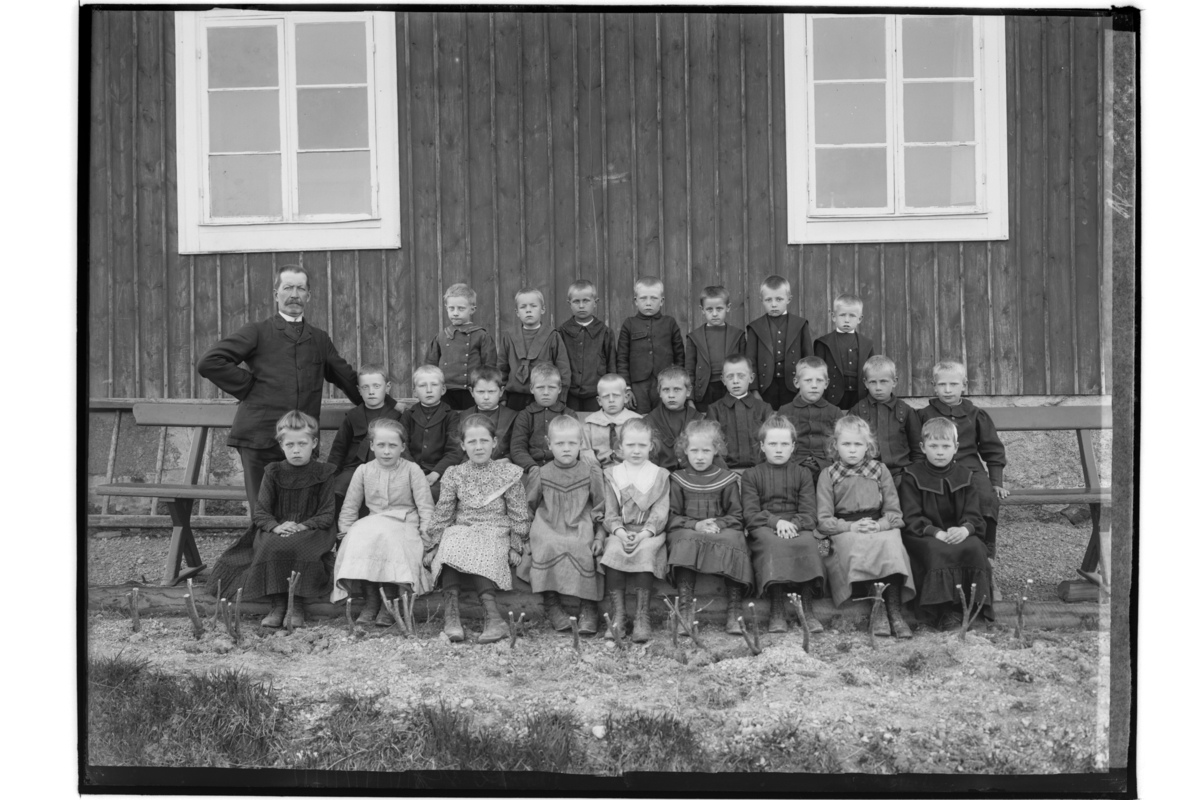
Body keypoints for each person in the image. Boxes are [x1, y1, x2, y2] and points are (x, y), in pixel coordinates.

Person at [197, 264, 362, 513]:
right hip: (258, 438)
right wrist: (250, 387)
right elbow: (209, 362)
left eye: (301, 288)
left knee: (300, 511)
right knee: (263, 513)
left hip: (301, 441)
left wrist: (382, 406)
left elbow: (346, 378)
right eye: (288, 288)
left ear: (309, 295)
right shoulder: (257, 331)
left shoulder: (319, 339)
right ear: (276, 294)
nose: (294, 294)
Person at [208, 411, 338, 629]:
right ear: (281, 445)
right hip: (277, 527)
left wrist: (302, 526)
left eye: (302, 444)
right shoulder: (273, 471)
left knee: (300, 547)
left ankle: (296, 604)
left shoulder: (324, 473)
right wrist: (276, 527)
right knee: (271, 545)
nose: (296, 450)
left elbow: (326, 514)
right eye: (290, 445)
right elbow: (261, 512)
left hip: (312, 529)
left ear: (314, 443)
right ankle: (277, 604)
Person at [423, 414, 532, 643]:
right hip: (463, 527)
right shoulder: (455, 473)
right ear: (463, 445)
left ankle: (494, 619)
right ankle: (452, 617)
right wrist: (433, 544)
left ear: (494, 442)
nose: (478, 446)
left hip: (495, 528)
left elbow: (518, 513)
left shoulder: (508, 473)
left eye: (484, 441)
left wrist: (516, 544)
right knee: (451, 540)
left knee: (481, 545)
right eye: (472, 442)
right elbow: (444, 511)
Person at [816, 415, 915, 639]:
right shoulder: (828, 475)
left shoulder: (880, 470)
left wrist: (880, 525)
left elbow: (895, 514)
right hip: (843, 529)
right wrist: (851, 527)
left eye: (858, 444)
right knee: (859, 544)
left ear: (868, 446)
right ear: (835, 445)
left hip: (877, 525)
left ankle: (894, 611)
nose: (852, 450)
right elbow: (823, 520)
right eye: (846, 444)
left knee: (891, 543)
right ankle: (877, 609)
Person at [331, 419, 435, 626]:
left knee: (389, 538)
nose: (386, 451)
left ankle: (390, 601)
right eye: (381, 445)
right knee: (360, 535)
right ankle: (372, 601)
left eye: (392, 445)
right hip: (373, 521)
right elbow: (350, 506)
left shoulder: (412, 470)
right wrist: (346, 534)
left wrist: (427, 538)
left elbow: (426, 506)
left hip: (405, 522)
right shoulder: (363, 471)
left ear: (402, 447)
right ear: (372, 446)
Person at [899, 418, 994, 630]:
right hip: (924, 535)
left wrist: (964, 530)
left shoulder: (965, 476)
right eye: (933, 446)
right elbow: (910, 517)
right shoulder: (911, 476)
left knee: (975, 547)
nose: (940, 452)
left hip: (957, 532)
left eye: (945, 446)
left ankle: (972, 611)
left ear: (956, 447)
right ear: (923, 447)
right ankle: (941, 613)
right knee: (937, 550)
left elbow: (974, 515)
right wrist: (936, 533)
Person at [516, 415, 607, 636]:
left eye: (572, 443)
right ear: (549, 444)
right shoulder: (541, 473)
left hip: (579, 522)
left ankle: (588, 606)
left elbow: (600, 508)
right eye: (560, 443)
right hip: (548, 523)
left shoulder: (590, 472)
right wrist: (525, 537)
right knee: (547, 544)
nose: (566, 448)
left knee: (582, 546)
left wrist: (600, 536)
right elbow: (529, 507)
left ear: (580, 444)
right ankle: (551, 603)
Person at [740, 414, 827, 634]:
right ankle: (776, 608)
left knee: (809, 543)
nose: (778, 450)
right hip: (764, 526)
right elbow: (750, 514)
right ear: (762, 446)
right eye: (772, 444)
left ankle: (807, 608)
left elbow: (810, 513)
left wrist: (793, 524)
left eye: (784, 444)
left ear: (793, 447)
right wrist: (775, 522)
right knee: (774, 544)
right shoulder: (751, 475)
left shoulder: (802, 473)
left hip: (798, 525)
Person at [666, 420, 753, 636]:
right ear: (685, 450)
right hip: (688, 529)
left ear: (716, 450)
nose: (700, 456)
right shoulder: (678, 479)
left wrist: (717, 524)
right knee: (684, 540)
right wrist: (695, 524)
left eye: (706, 450)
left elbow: (736, 515)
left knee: (735, 540)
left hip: (720, 530)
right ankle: (686, 610)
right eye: (694, 450)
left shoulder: (726, 479)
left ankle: (734, 610)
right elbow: (672, 517)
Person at [915, 360, 1008, 563]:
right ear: (934, 386)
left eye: (953, 384)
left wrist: (996, 482)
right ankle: (944, 552)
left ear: (964, 385)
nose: (948, 390)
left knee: (987, 497)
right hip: (935, 469)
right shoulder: (924, 415)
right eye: (942, 385)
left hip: (970, 469)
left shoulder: (976, 415)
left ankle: (986, 553)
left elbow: (992, 449)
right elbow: (917, 448)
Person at [600, 418, 672, 643]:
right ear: (620, 447)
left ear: (651, 446)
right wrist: (620, 533)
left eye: (642, 445)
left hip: (648, 532)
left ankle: (642, 616)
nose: (636, 450)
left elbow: (660, 512)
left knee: (645, 551)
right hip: (620, 530)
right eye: (630, 445)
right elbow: (610, 512)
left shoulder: (659, 475)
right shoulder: (612, 474)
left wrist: (643, 534)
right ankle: (619, 615)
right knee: (613, 550)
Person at [327, 365, 404, 518]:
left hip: (386, 468)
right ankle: (338, 528)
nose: (371, 391)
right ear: (359, 390)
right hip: (354, 468)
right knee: (336, 489)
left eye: (376, 386)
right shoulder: (353, 416)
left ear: (387, 387)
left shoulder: (396, 416)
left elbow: (404, 447)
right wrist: (330, 475)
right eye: (365, 387)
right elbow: (339, 449)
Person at [849, 355, 923, 486]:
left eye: (883, 381)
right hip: (867, 473)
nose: (878, 387)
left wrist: (915, 473)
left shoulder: (906, 411)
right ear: (865, 383)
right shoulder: (858, 410)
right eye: (873, 382)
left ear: (894, 381)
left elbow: (917, 448)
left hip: (901, 473)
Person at [423, 283, 498, 411]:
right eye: (451, 308)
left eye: (461, 309)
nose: (455, 313)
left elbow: (489, 366)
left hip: (471, 391)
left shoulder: (481, 336)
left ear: (472, 309)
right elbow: (430, 367)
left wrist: (483, 387)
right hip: (445, 392)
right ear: (446, 308)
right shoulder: (440, 337)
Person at [616, 276, 685, 412]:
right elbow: (622, 359)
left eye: (653, 298)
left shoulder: (670, 323)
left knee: (664, 416)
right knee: (639, 418)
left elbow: (680, 356)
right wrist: (627, 388)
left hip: (666, 384)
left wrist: (677, 382)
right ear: (636, 301)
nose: (648, 303)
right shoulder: (629, 324)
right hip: (638, 386)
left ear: (662, 301)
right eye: (643, 298)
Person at [745, 275, 814, 410]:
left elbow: (808, 359)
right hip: (765, 387)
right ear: (761, 300)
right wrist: (754, 390)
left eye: (779, 299)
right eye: (768, 300)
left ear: (789, 299)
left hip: (794, 386)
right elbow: (750, 361)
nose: (774, 304)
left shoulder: (800, 324)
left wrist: (804, 388)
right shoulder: (755, 327)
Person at [497, 288, 571, 412]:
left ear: (543, 309)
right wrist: (502, 397)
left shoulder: (553, 336)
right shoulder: (509, 336)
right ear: (517, 312)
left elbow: (563, 370)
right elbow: (501, 369)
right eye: (523, 307)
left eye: (533, 306)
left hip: (544, 397)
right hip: (514, 398)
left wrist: (561, 399)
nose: (528, 310)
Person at [510, 363, 590, 474]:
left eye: (552, 387)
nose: (546, 393)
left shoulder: (569, 414)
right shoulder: (525, 416)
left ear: (559, 388)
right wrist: (532, 467)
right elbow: (517, 448)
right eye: (540, 387)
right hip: (532, 469)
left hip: (564, 468)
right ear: (531, 388)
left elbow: (575, 447)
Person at [400, 366, 463, 502]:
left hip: (441, 473)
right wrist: (415, 471)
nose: (429, 390)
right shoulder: (408, 416)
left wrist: (436, 473)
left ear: (443, 389)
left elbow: (454, 451)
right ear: (414, 392)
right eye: (422, 385)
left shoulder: (451, 416)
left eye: (434, 385)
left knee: (435, 493)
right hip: (411, 470)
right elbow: (401, 447)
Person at [779, 356, 844, 481]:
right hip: (794, 464)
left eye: (819, 380)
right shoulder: (785, 411)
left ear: (826, 384)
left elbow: (841, 440)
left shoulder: (834, 412)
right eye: (808, 380)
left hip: (826, 466)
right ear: (797, 383)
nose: (814, 385)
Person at [558, 279, 618, 414]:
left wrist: (610, 391)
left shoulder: (605, 332)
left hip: (597, 394)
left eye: (586, 301)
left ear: (595, 302)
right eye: (576, 301)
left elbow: (612, 365)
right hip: (569, 394)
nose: (581, 306)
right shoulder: (561, 332)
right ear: (569, 303)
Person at [684, 285, 746, 413]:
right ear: (702, 310)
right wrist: (690, 399)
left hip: (730, 387)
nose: (714, 314)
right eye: (709, 309)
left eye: (719, 309)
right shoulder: (694, 337)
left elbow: (745, 367)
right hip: (704, 390)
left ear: (728, 307)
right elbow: (689, 370)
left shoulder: (737, 335)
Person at [707, 355, 773, 470]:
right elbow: (711, 444)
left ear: (751, 378)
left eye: (741, 376)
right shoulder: (714, 410)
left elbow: (773, 441)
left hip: (760, 470)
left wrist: (763, 469)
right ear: (723, 380)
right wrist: (724, 471)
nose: (735, 381)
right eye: (730, 377)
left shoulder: (764, 408)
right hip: (725, 471)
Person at [813, 293, 875, 411]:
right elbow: (817, 372)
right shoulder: (824, 343)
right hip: (832, 396)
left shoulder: (867, 344)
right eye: (842, 315)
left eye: (852, 315)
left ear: (860, 319)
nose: (847, 320)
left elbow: (873, 372)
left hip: (860, 397)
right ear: (833, 316)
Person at [645, 366, 707, 471]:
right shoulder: (650, 421)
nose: (671, 395)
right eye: (666, 390)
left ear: (688, 391)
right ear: (659, 392)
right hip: (660, 474)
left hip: (692, 474)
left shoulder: (699, 420)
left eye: (677, 389)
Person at [580, 374, 642, 467]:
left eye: (616, 395)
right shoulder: (589, 424)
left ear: (626, 398)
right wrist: (597, 470)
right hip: (599, 470)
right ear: (599, 401)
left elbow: (643, 450)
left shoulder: (637, 422)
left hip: (631, 468)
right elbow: (585, 451)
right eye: (606, 396)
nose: (611, 400)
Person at [463, 366, 518, 461]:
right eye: (480, 392)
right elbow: (458, 449)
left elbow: (517, 446)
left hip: (502, 465)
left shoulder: (513, 416)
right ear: (471, 392)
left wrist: (508, 459)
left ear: (501, 391)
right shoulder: (463, 417)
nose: (486, 397)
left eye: (491, 391)